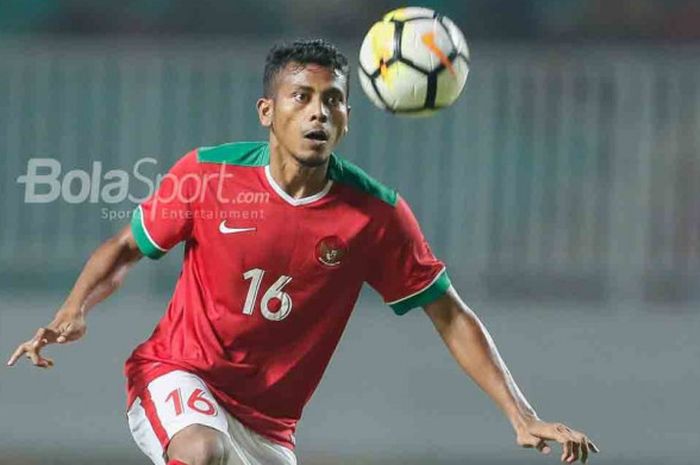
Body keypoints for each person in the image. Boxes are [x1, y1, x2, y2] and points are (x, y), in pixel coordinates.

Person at [7, 39, 599, 465]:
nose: (318, 110)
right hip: (176, 374)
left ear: (346, 119)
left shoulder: (376, 214)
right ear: (269, 111)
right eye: (301, 96)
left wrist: (521, 415)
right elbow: (124, 248)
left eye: (333, 100)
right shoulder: (207, 175)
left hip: (270, 426)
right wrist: (74, 308)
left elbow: (450, 314)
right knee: (200, 449)